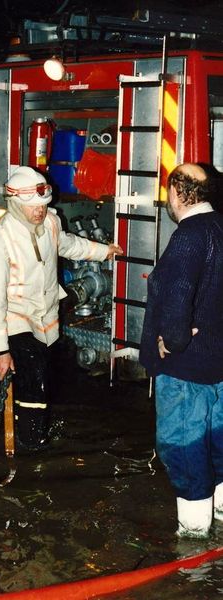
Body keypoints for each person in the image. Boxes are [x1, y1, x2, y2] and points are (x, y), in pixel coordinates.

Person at [0, 166, 123, 450]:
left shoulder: (51, 223)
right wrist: (0, 351)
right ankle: (32, 442)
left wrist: (103, 251)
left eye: (43, 205)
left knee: (42, 375)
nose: (40, 211)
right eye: (33, 206)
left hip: (46, 318)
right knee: (34, 378)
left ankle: (32, 429)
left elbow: (68, 245)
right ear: (16, 203)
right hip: (15, 320)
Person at [139, 163, 223, 538]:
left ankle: (194, 539)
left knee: (184, 446)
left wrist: (172, 340)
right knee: (218, 443)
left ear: (175, 192)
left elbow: (177, 296)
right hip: (218, 364)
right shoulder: (220, 226)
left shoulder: (189, 235)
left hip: (186, 368)